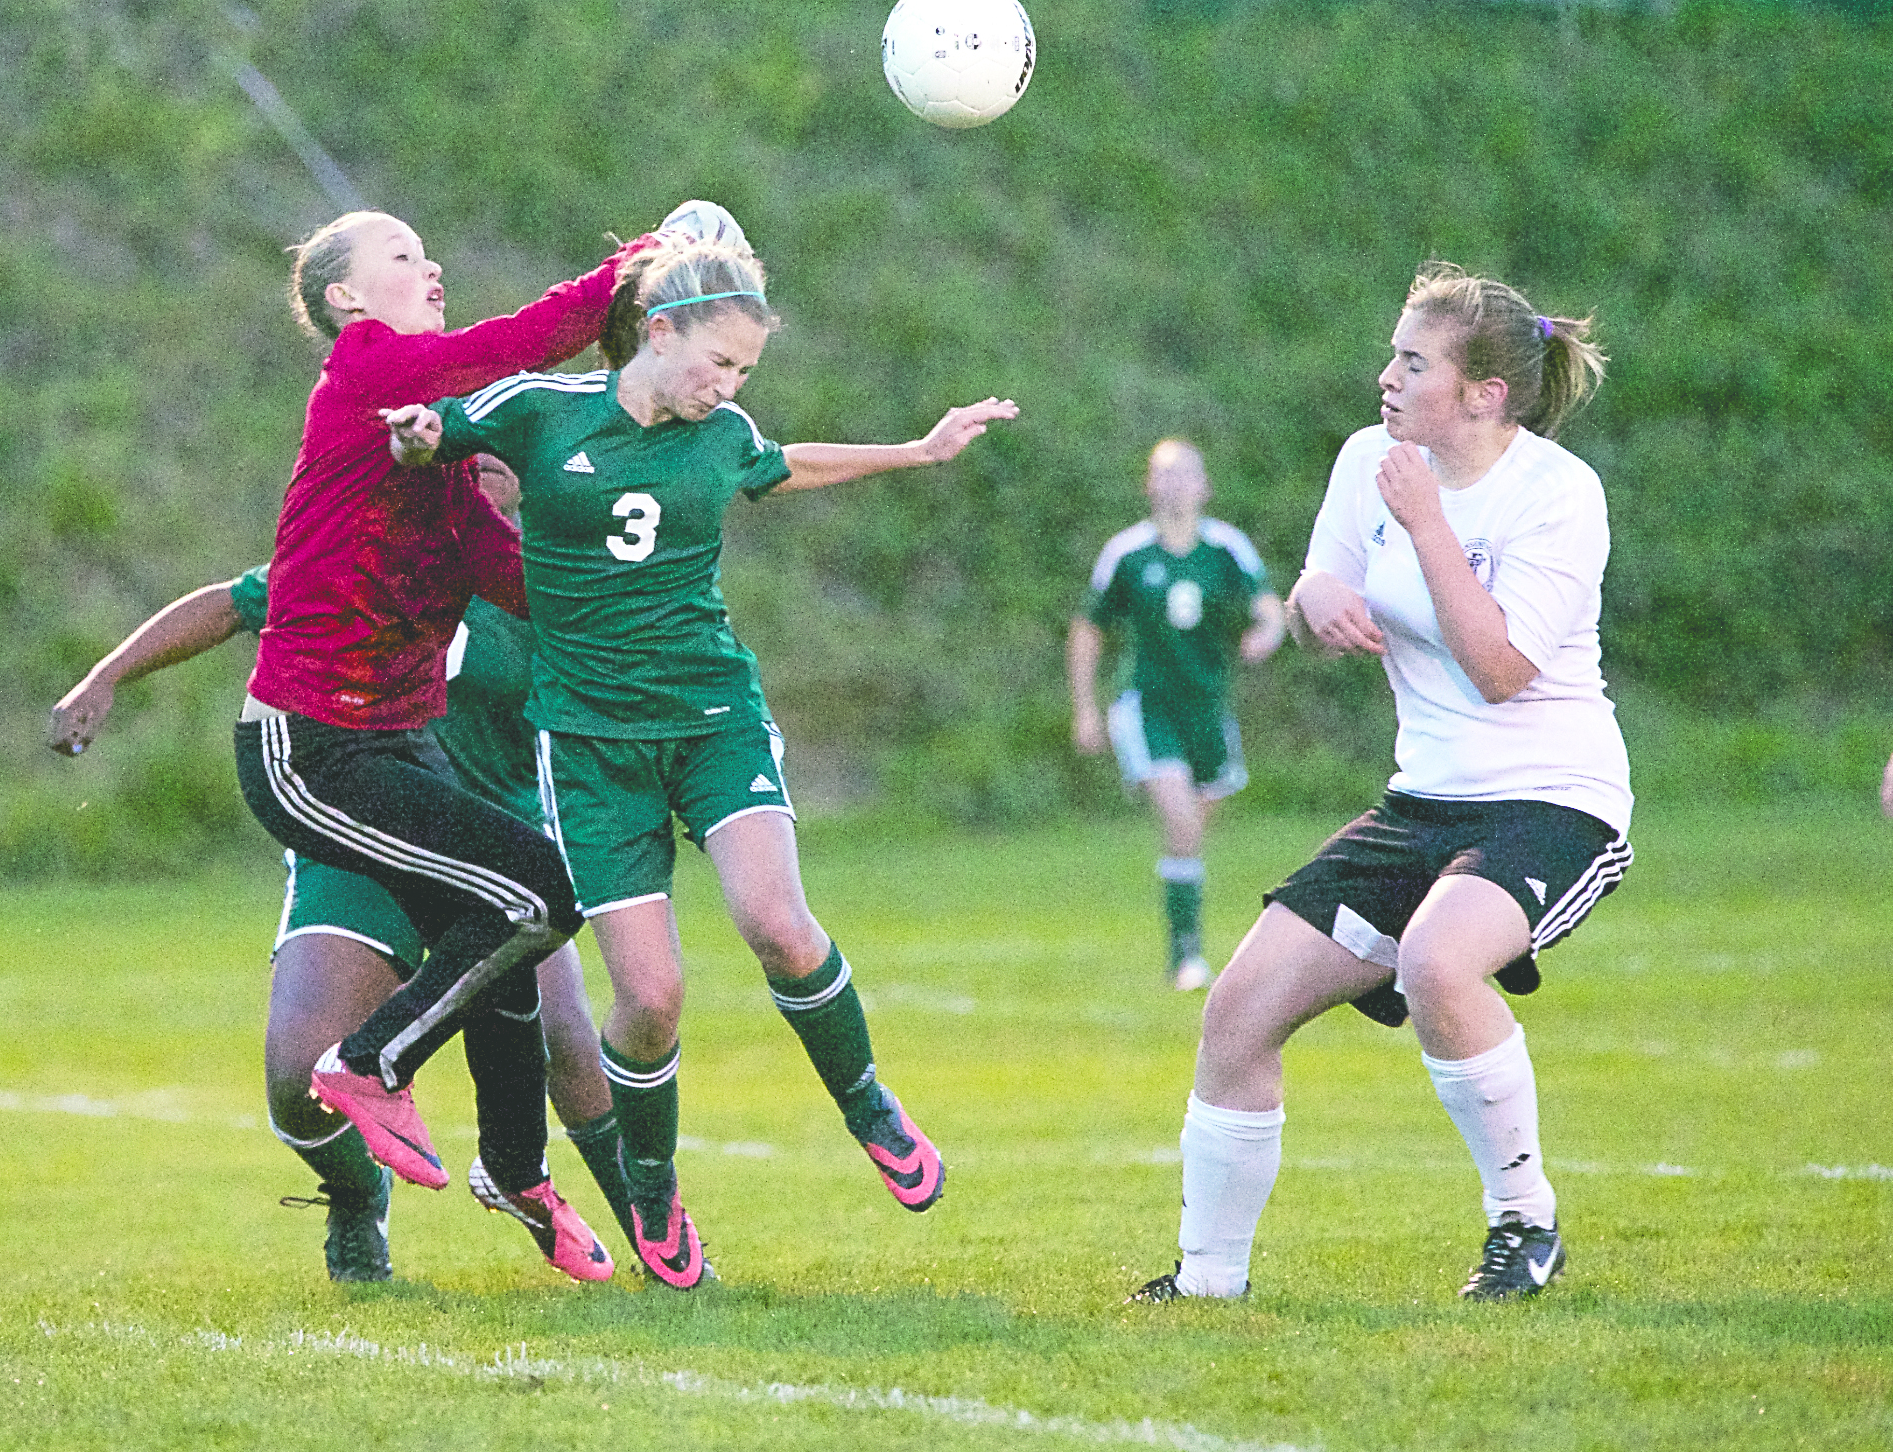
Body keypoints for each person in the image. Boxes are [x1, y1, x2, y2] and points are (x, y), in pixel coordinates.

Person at [381, 237, 1018, 1287]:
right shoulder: (542, 408)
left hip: (714, 715)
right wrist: (412, 436)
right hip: (589, 748)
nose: (727, 388)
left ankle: (868, 1104)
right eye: (717, 364)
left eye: (743, 374)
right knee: (652, 998)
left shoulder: (719, 432)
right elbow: (438, 432)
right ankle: (652, 1188)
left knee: (776, 920)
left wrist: (915, 450)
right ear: (658, 331)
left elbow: (784, 463)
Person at [1129, 262, 1634, 1306]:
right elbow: (1319, 588)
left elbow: (1500, 673)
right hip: (1421, 801)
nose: (1385, 378)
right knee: (1235, 1012)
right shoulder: (1371, 458)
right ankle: (1208, 1282)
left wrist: (1426, 526)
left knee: (1441, 962)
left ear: (1483, 394)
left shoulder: (1554, 494)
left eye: (1412, 362)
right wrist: (1315, 605)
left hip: (1552, 798)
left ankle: (1523, 1225)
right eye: (1392, 355)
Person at [49, 459, 633, 1284]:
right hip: (360, 847)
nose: (490, 460)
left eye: (506, 441)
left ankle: (653, 1237)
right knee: (296, 1079)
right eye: (471, 443)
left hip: (489, 848)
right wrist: (103, 678)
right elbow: (230, 603)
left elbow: (617, 701)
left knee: (567, 1040)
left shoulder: (552, 579)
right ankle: (360, 1195)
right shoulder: (372, 546)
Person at [231, 203, 675, 1226]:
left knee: (512, 920)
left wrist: (623, 569)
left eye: (432, 256)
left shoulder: (432, 452)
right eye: (402, 257)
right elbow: (514, 345)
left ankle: (518, 1173)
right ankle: (369, 1068)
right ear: (346, 298)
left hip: (390, 748)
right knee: (532, 897)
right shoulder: (368, 364)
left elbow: (514, 580)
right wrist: (629, 270)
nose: (430, 270)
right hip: (312, 748)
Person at [1068, 439, 1285, 990]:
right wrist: (1086, 709)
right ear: (1148, 486)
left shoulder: (1226, 548)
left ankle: (1184, 935)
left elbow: (1268, 609)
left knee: (1190, 836)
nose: (1175, 484)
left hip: (1209, 709)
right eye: (1163, 474)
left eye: (1186, 474)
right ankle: (1185, 956)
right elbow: (1088, 629)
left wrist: (1265, 634)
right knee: (1181, 822)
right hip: (1146, 706)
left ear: (1204, 486)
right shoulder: (1128, 554)